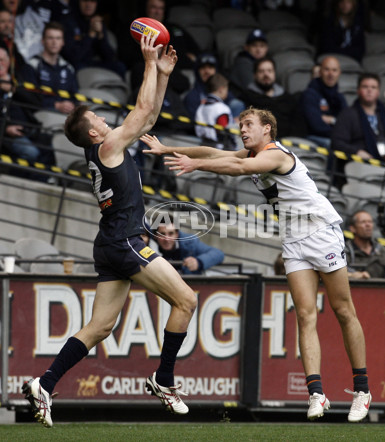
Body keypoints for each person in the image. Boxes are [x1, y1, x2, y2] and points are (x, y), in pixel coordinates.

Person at [141, 107, 372, 423]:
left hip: (320, 231)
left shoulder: (275, 154)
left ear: (267, 129)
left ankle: (362, 390)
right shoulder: (252, 152)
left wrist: (196, 166)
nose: (242, 130)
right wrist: (169, 148)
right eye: (240, 125)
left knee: (343, 309)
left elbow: (237, 166)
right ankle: (317, 394)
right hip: (293, 238)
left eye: (248, 124)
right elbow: (214, 151)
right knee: (305, 314)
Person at [22, 36, 197, 428]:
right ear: (96, 134)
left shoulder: (102, 147)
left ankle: (44, 384)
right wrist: (148, 61)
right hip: (124, 241)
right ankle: (164, 379)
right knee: (186, 301)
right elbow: (143, 109)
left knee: (100, 327)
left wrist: (163, 74)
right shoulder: (109, 146)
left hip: (109, 243)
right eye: (99, 120)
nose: (105, 120)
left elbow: (148, 119)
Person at [331, 72, 385, 162]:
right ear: (358, 90)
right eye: (365, 87)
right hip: (359, 162)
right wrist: (357, 152)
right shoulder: (347, 114)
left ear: (378, 91)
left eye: (373, 87)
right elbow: (337, 142)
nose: (369, 90)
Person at [20, 21, 78, 114]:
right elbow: (29, 98)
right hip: (42, 114)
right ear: (43, 41)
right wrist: (56, 105)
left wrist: (72, 106)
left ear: (62, 42)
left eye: (58, 38)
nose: (54, 42)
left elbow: (76, 96)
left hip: (67, 116)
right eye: (50, 38)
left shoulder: (68, 68)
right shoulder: (31, 66)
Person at [60, 0, 126, 77]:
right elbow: (73, 57)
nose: (88, 5)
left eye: (92, 1)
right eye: (85, 1)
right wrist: (90, 35)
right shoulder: (68, 22)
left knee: (119, 66)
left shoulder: (97, 22)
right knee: (76, 67)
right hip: (76, 64)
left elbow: (110, 57)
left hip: (93, 63)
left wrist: (101, 35)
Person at [300, 55, 348, 149]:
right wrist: (338, 129)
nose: (331, 74)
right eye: (327, 69)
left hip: (336, 137)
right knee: (335, 144)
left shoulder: (340, 97)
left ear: (339, 73)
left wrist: (332, 120)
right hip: (314, 138)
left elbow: (347, 124)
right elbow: (316, 126)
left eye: (334, 70)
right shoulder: (310, 94)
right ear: (320, 72)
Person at [152, 214, 225, 275]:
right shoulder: (148, 244)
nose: (167, 239)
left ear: (177, 234)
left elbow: (218, 254)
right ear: (155, 235)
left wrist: (199, 262)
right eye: (162, 234)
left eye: (171, 233)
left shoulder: (190, 242)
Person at [194, 73, 238, 150]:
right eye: (226, 89)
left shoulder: (201, 106)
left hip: (202, 145)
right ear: (221, 89)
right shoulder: (222, 108)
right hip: (220, 149)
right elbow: (223, 131)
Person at [344, 210, 385, 278]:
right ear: (353, 228)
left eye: (370, 222)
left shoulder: (382, 251)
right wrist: (352, 275)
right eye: (363, 222)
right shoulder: (345, 251)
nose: (368, 225)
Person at [229, 28, 269, 93]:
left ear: (267, 49)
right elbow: (253, 91)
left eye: (262, 46)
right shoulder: (242, 63)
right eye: (254, 45)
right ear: (246, 47)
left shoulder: (266, 63)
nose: (258, 50)